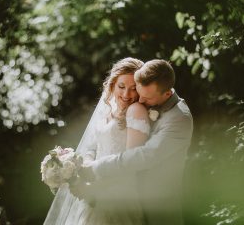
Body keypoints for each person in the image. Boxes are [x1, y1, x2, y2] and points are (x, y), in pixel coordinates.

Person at [78, 59, 194, 225]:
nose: (138, 100)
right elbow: (95, 143)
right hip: (120, 194)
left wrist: (93, 170)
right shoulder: (135, 100)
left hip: (157, 206)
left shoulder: (179, 118)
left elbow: (143, 156)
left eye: (145, 97)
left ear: (167, 94)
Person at [44, 57, 151, 225]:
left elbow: (131, 163)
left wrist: (93, 188)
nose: (126, 95)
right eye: (121, 86)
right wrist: (80, 167)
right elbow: (93, 147)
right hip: (93, 192)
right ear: (113, 84)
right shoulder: (109, 109)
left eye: (133, 89)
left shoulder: (137, 112)